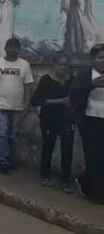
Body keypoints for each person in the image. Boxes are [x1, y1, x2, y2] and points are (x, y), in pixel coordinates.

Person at [0, 38, 35, 174]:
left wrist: (26, 104)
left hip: (17, 107)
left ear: (19, 50)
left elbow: (28, 86)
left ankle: (12, 160)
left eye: (16, 47)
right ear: (5, 48)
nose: (13, 50)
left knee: (14, 135)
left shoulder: (24, 65)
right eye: (10, 47)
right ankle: (3, 161)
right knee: (2, 134)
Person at [30, 53, 75, 192]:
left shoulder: (73, 81)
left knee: (67, 149)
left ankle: (65, 181)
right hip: (49, 119)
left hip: (67, 119)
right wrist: (60, 102)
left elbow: (78, 98)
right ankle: (45, 176)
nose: (63, 68)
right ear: (53, 65)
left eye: (66, 65)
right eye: (60, 64)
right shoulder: (46, 80)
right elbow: (36, 101)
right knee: (48, 146)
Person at [70, 43, 104, 202]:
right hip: (89, 121)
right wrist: (91, 85)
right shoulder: (85, 76)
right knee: (93, 157)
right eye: (101, 58)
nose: (103, 61)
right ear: (92, 59)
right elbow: (74, 94)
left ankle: (86, 181)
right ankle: (96, 194)